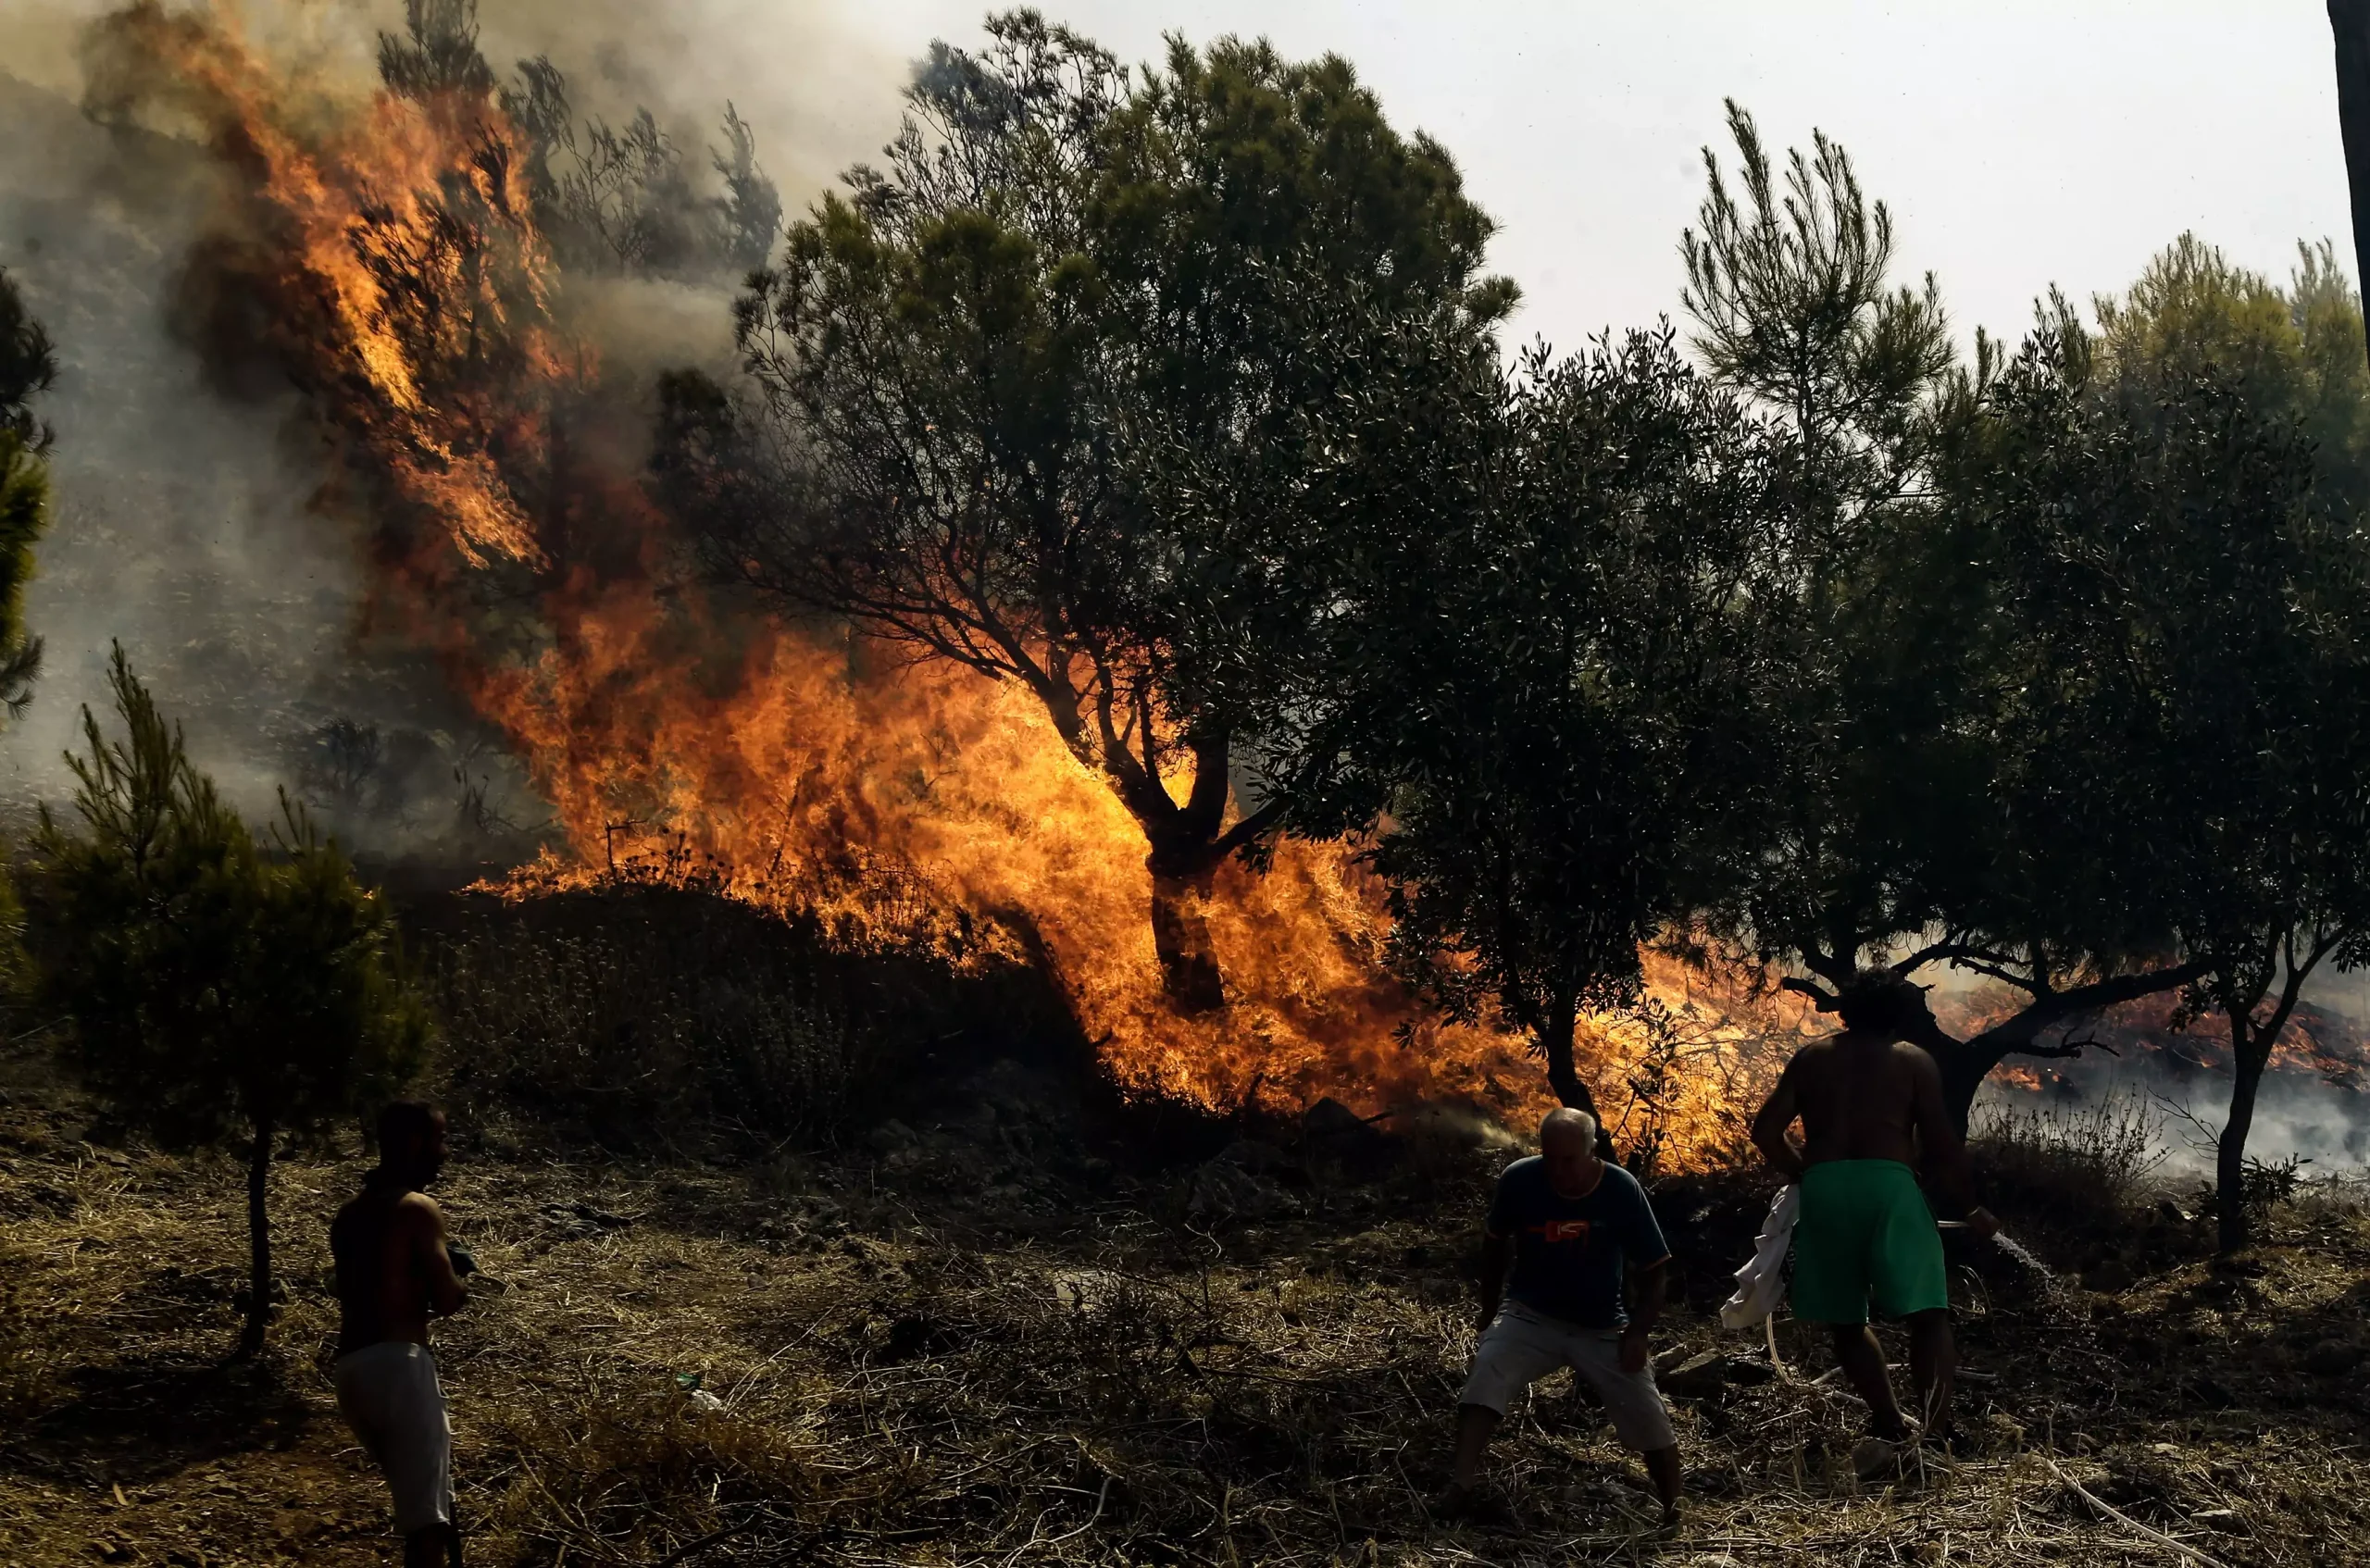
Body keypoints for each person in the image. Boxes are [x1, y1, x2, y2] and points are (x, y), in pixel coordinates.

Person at [1749, 973, 1998, 1476]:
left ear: (1846, 1010)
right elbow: (1942, 1141)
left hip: (1824, 1187)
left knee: (1846, 1317)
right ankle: (1937, 1430)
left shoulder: (1811, 1058)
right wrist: (1970, 1206)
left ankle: (1887, 1422)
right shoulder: (1910, 1059)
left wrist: (1802, 1171)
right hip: (1888, 1185)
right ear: (1898, 1016)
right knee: (1928, 1313)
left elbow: (1766, 1131)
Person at [1442, 1107, 1683, 1525]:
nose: (1558, 1169)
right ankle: (1459, 1486)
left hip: (1602, 1324)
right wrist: (1488, 1312)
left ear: (1592, 1150)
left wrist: (1639, 1333)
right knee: (1488, 1368)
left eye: (1569, 1159)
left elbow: (1655, 1269)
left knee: (1647, 1413)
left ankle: (1673, 1511)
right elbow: (1494, 1246)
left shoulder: (1620, 1189)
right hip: (1530, 1314)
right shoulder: (1520, 1179)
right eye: (1550, 1156)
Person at [331, 1101, 473, 1568]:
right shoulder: (417, 1209)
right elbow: (448, 1300)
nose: (444, 1152)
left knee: (422, 1504)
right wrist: (456, 1272)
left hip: (351, 1371)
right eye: (439, 1140)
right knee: (428, 1527)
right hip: (401, 1368)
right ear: (414, 1143)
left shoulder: (348, 1216)